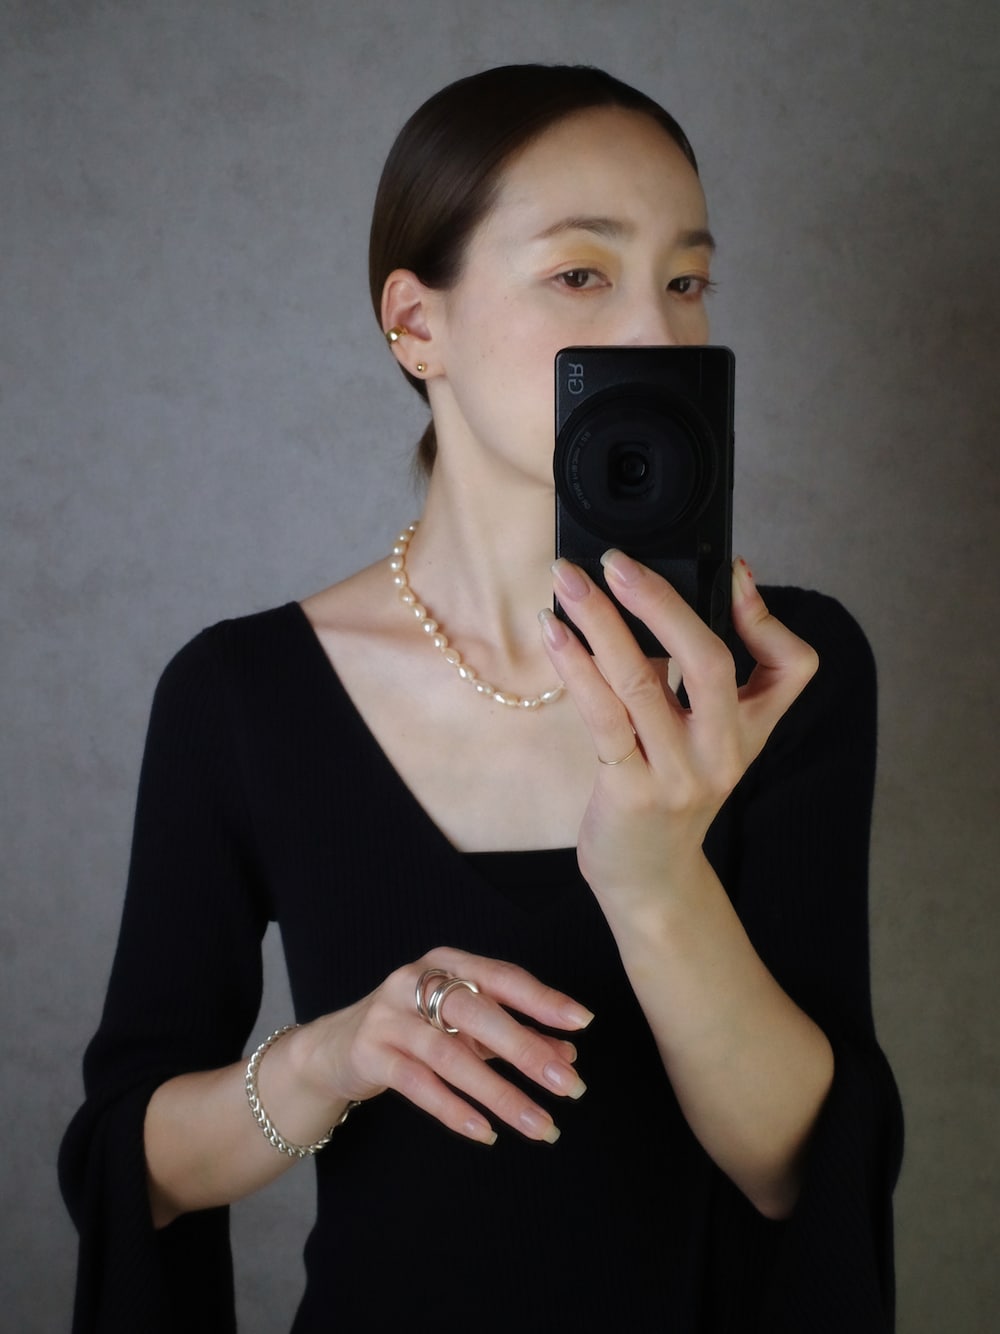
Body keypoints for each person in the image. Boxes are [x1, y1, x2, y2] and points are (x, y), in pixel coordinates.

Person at [59, 64, 902, 1332]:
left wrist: (653, 880)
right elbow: (129, 1167)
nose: (655, 332)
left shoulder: (779, 663)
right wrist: (330, 1057)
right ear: (416, 325)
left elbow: (804, 1170)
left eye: (686, 281)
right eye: (581, 274)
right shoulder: (240, 695)